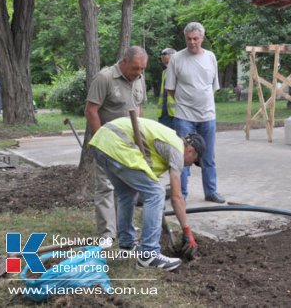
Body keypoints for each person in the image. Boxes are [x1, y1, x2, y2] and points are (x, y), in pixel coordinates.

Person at [89, 116, 203, 271]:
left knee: (126, 194)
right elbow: (176, 197)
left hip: (101, 142)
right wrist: (187, 231)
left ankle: (127, 246)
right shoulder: (177, 149)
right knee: (156, 193)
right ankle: (148, 255)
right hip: (116, 144)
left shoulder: (169, 141)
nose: (190, 165)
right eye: (194, 160)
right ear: (190, 150)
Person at [84, 46, 148, 248]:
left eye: (142, 69)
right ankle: (107, 233)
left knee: (128, 188)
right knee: (105, 186)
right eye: (135, 68)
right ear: (124, 61)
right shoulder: (104, 78)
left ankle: (125, 229)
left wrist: (140, 138)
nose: (138, 73)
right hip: (108, 143)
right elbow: (91, 110)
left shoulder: (139, 79)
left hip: (129, 144)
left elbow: (139, 108)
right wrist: (102, 140)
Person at [165, 22, 225, 203]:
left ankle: (211, 191)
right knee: (182, 156)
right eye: (189, 39)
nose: (192, 42)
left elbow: (212, 86)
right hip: (184, 116)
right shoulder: (177, 59)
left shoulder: (210, 57)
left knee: (209, 156)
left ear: (202, 38)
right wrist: (186, 102)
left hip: (207, 115)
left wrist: (201, 101)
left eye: (196, 39)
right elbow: (171, 88)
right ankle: (180, 194)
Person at [157, 48, 177, 128]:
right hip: (163, 113)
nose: (162, 57)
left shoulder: (179, 71)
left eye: (164, 54)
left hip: (175, 114)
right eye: (162, 55)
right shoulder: (164, 72)